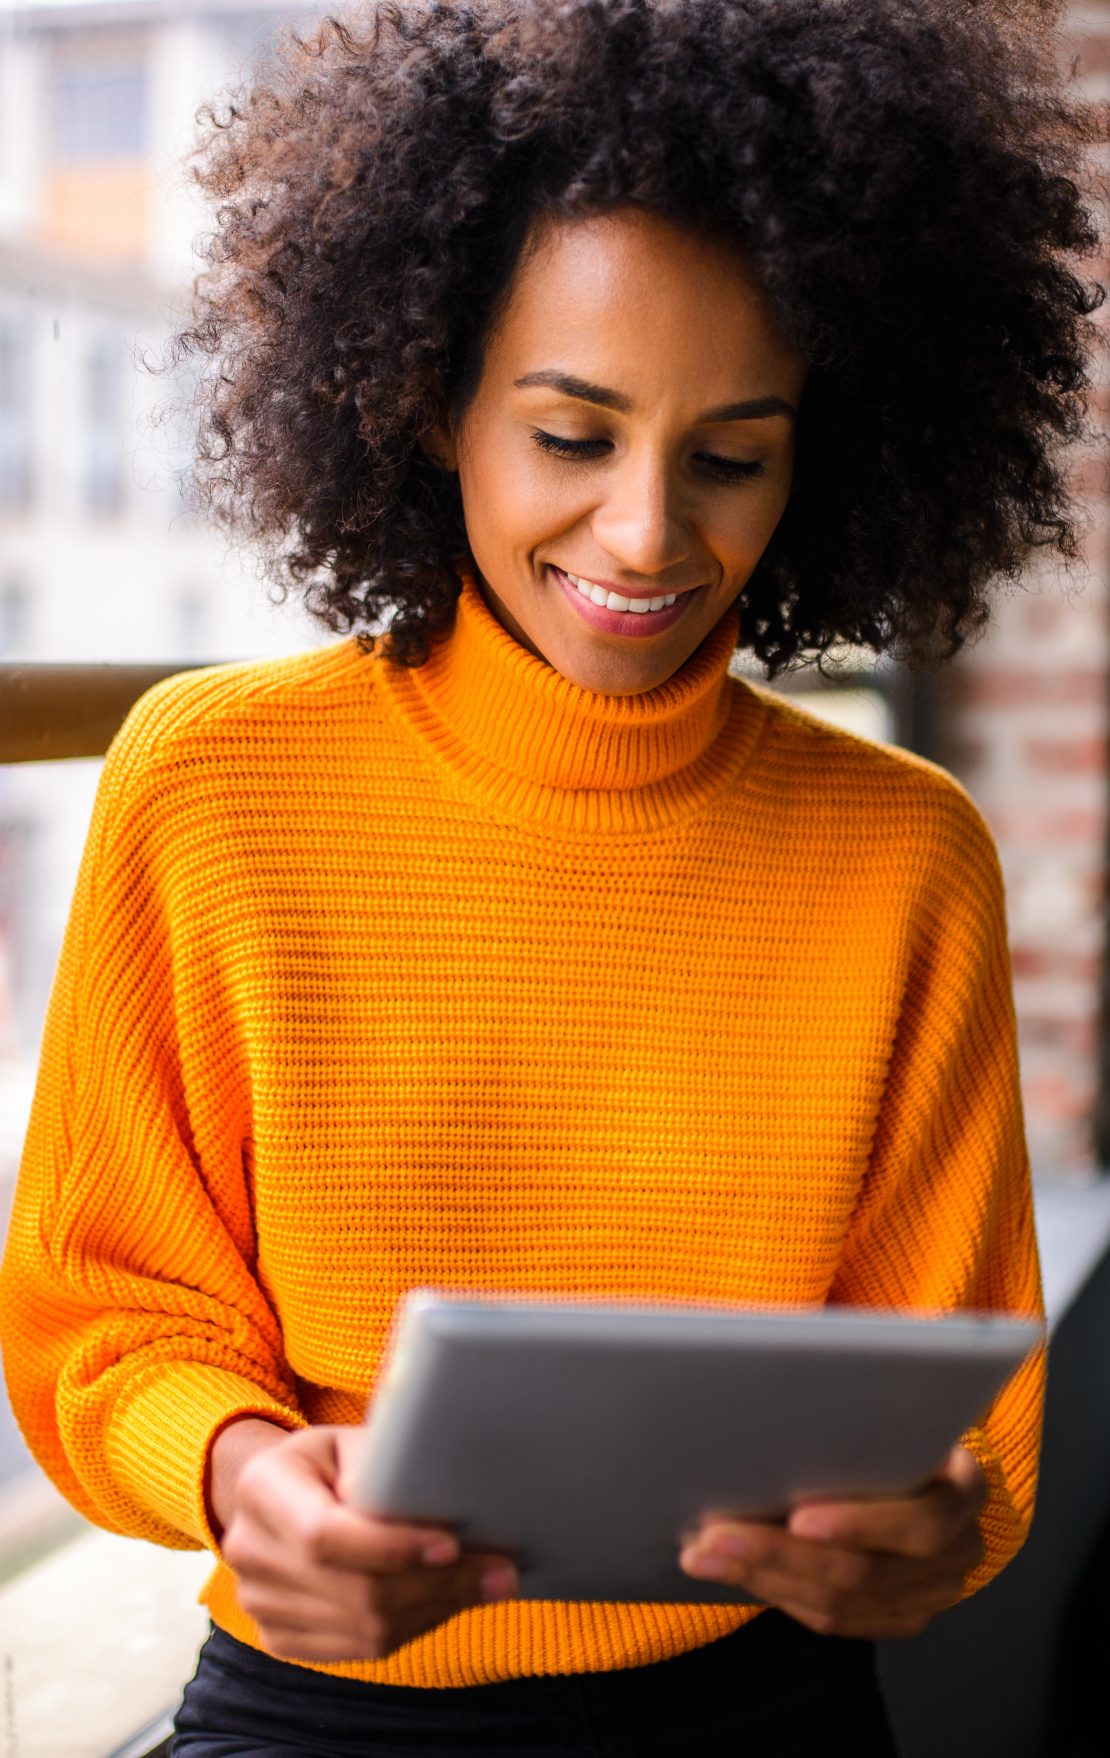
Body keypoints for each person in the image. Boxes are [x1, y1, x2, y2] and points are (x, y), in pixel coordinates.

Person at [0, 0, 1102, 1751]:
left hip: (767, 1706)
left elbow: (965, 1409)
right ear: (430, 400)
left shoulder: (904, 854)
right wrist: (232, 1469)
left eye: (732, 452)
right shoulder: (211, 782)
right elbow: (110, 1300)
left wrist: (931, 1532)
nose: (651, 534)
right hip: (324, 1714)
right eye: (572, 436)